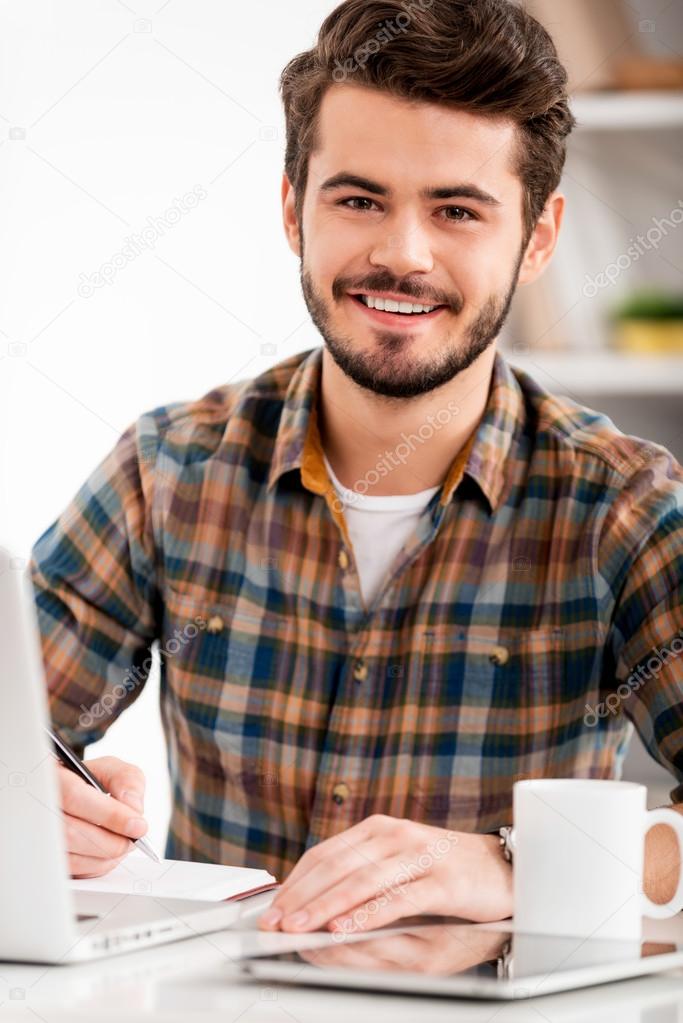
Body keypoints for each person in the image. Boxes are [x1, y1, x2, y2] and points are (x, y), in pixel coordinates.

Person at [30, 0, 683, 937]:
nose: (400, 255)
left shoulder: (622, 507)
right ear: (293, 208)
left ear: (538, 238)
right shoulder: (166, 471)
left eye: (456, 209)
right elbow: (22, 749)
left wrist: (511, 865)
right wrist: (43, 814)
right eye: (358, 198)